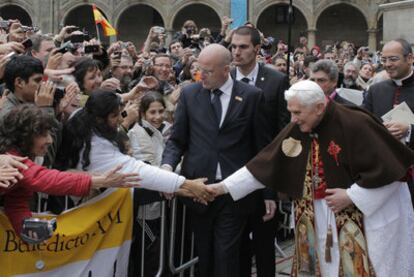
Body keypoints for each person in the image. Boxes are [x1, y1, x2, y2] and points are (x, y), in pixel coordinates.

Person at [209, 80, 414, 277]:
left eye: (297, 113)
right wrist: (222, 188)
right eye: (291, 112)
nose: (293, 119)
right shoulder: (300, 126)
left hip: (366, 217)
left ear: (318, 107)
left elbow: (393, 172)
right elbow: (265, 166)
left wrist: (352, 195)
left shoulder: (356, 123)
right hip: (317, 219)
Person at [161, 44, 267, 277]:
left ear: (226, 69)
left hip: (232, 191)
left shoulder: (251, 97)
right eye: (198, 69)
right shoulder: (190, 95)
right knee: (204, 254)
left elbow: (261, 148)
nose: (200, 75)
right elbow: (177, 140)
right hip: (198, 188)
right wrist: (166, 169)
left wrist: (268, 193)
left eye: (207, 71)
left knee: (225, 254)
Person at [0, 104, 140, 236]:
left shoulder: (20, 158)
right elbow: (43, 179)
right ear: (25, 136)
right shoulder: (10, 158)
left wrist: (26, 229)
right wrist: (95, 181)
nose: (49, 140)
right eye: (43, 135)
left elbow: (16, 202)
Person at [57, 89, 212, 203]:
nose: (120, 119)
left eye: (120, 113)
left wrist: (180, 188)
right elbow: (139, 170)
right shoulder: (97, 146)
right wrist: (188, 184)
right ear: (98, 119)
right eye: (114, 116)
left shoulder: (82, 117)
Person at [229, 26, 289, 277]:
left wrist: (273, 187)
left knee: (264, 248)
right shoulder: (226, 79)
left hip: (264, 177)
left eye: (243, 47)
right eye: (233, 46)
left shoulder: (275, 81)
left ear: (256, 48)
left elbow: (282, 133)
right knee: (237, 248)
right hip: (232, 176)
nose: (237, 52)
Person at [362, 38, 414, 204]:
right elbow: (363, 123)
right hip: (384, 173)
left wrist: (409, 129)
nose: (387, 64)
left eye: (393, 59)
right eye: (384, 60)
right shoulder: (376, 90)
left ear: (410, 58)